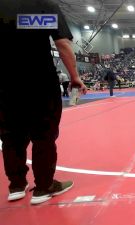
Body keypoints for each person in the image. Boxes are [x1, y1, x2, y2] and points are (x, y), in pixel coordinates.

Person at [0, 0, 87, 205]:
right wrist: (74, 77)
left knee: (11, 135)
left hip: (4, 84)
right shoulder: (43, 5)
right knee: (43, 135)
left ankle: (16, 185)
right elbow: (62, 44)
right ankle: (44, 186)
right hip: (39, 81)